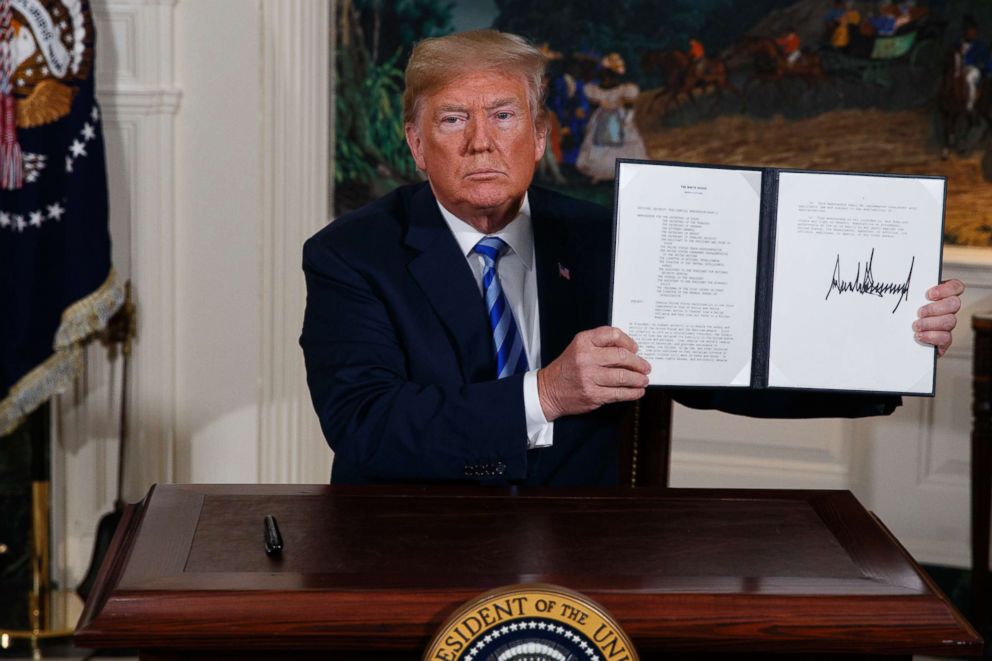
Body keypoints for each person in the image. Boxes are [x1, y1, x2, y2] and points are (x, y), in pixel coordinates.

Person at [300, 30, 964, 486]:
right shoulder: (350, 256)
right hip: (411, 548)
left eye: (503, 116)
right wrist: (546, 393)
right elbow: (366, 427)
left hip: (586, 548)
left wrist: (889, 344)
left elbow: (725, 364)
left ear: (540, 137)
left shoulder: (610, 238)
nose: (480, 143)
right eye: (452, 120)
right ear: (417, 145)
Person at [575, 53, 647, 183]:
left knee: (622, 146)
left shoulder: (624, 89)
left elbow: (630, 107)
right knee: (600, 146)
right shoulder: (594, 90)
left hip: (619, 119)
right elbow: (592, 104)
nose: (606, 80)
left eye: (609, 77)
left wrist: (627, 120)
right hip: (602, 119)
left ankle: (625, 173)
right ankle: (600, 173)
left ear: (614, 76)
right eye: (604, 77)